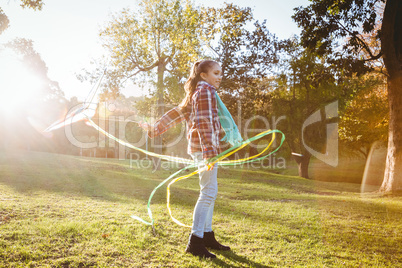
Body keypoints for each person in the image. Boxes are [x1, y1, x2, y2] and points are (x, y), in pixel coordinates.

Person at [139, 59, 231, 259]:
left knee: (210, 192)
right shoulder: (206, 91)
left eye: (220, 73)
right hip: (205, 150)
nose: (220, 77)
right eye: (216, 73)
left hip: (204, 149)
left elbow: (177, 112)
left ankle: (207, 236)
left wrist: (154, 129)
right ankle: (196, 242)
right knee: (208, 193)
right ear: (203, 76)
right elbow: (203, 122)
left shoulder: (196, 93)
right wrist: (209, 152)